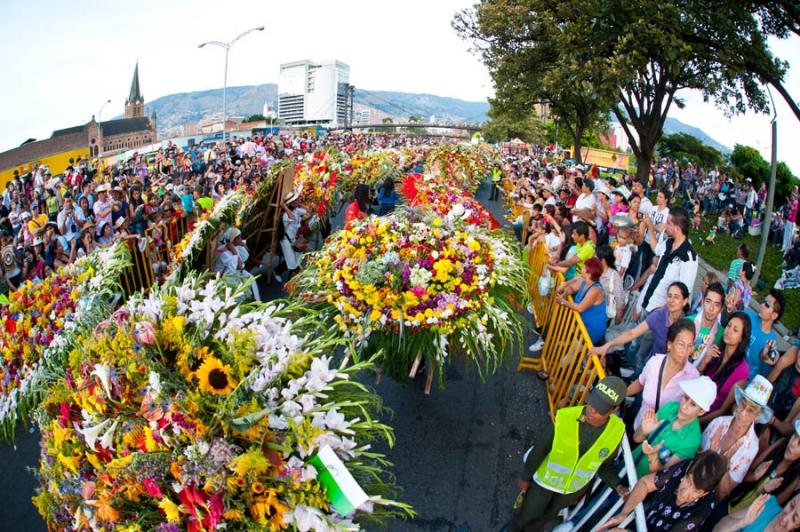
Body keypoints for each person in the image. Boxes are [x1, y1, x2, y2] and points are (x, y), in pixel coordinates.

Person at [509, 376, 628, 532]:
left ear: (615, 410)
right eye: (591, 404)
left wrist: (618, 485)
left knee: (546, 517)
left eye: (599, 410)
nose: (591, 411)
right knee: (527, 515)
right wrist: (525, 477)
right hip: (544, 483)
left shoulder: (617, 431)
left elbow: (604, 464)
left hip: (570, 491)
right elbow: (540, 449)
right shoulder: (565, 417)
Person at [598, 451, 728, 531]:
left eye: (696, 491)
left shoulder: (703, 509)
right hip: (641, 521)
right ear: (688, 470)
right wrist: (624, 513)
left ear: (705, 493)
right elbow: (645, 483)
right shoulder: (684, 467)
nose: (685, 491)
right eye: (687, 481)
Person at [591, 281, 689, 373]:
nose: (671, 300)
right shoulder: (659, 315)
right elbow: (632, 333)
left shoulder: (687, 324)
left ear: (684, 301)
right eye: (669, 296)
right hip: (652, 368)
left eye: (676, 297)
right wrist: (608, 346)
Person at [701, 375, 773, 499]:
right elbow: (692, 458)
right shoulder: (718, 423)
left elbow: (723, 493)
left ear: (758, 416)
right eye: (743, 405)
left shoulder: (751, 447)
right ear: (738, 403)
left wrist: (724, 464)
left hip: (708, 498)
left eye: (751, 410)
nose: (743, 412)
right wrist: (709, 453)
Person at [631, 376, 716, 478]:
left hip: (640, 483)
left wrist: (652, 457)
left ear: (701, 411)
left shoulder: (692, 441)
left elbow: (663, 475)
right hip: (627, 463)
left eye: (693, 404)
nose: (684, 406)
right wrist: (643, 431)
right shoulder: (670, 407)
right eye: (686, 398)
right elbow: (636, 438)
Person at [626, 319, 701, 430]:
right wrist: (617, 397)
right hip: (640, 427)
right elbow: (640, 383)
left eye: (689, 345)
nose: (685, 351)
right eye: (681, 344)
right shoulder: (655, 363)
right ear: (670, 344)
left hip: (662, 439)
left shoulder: (693, 377)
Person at [637, 206, 698, 318]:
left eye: (668, 223)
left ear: (677, 228)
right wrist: (650, 228)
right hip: (648, 303)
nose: (665, 225)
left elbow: (685, 293)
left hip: (660, 313)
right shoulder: (668, 243)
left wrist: (665, 312)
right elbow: (656, 249)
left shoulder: (688, 257)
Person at [554, 257, 607, 344]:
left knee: (571, 355)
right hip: (581, 324)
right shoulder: (584, 280)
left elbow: (580, 308)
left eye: (584, 267)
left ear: (589, 274)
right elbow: (571, 288)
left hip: (591, 330)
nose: (582, 268)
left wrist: (562, 301)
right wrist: (563, 295)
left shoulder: (595, 290)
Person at [744, 290, 784, 380]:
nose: (761, 305)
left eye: (767, 305)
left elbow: (764, 374)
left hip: (744, 381)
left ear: (774, 315)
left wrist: (765, 359)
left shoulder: (771, 343)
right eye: (763, 302)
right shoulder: (748, 317)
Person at [713, 491, 800, 532]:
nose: (785, 518)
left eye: (794, 518)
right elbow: (717, 529)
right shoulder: (767, 505)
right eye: (791, 505)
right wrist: (742, 523)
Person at [688, 281, 726, 367]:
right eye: (708, 301)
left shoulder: (722, 334)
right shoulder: (688, 322)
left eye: (716, 305)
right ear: (703, 301)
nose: (711, 308)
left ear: (721, 308)